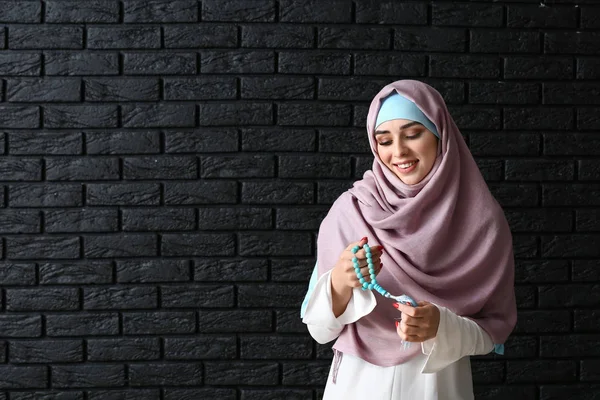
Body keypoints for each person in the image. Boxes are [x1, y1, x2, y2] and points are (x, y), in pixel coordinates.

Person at [300, 80, 517, 400]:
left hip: (437, 390)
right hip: (357, 388)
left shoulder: (483, 223)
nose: (398, 152)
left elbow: (492, 331)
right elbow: (319, 331)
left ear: (440, 134)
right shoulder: (351, 212)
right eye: (384, 140)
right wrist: (340, 284)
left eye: (413, 134)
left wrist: (441, 327)